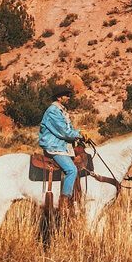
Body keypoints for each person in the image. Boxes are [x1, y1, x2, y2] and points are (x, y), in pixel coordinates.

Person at [37, 82, 91, 212]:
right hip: (54, 147)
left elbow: (69, 129)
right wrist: (79, 134)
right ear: (59, 97)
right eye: (66, 95)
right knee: (72, 170)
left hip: (62, 146)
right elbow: (64, 132)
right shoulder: (53, 111)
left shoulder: (62, 111)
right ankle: (64, 201)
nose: (68, 97)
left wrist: (79, 133)